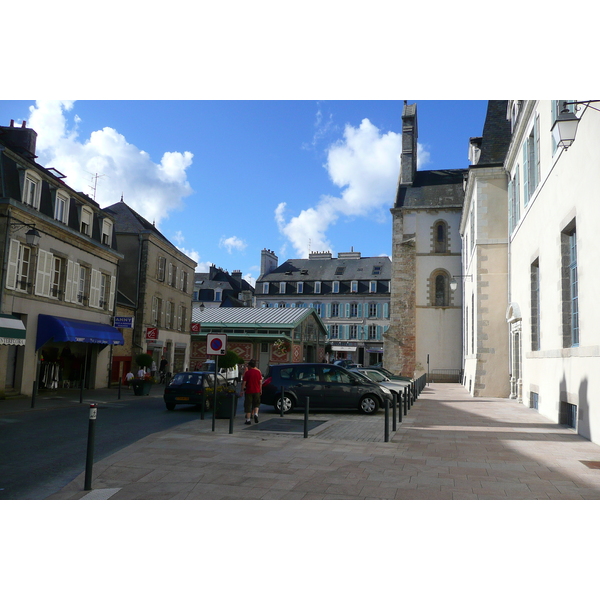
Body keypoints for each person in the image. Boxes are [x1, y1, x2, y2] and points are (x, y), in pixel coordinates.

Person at [242, 359, 262, 425]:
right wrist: (260, 390)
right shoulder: (258, 372)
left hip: (249, 391)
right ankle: (256, 414)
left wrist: (242, 390)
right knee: (256, 403)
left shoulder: (247, 373)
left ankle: (248, 420)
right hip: (257, 391)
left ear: (250, 366)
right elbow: (260, 382)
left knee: (248, 405)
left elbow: (244, 383)